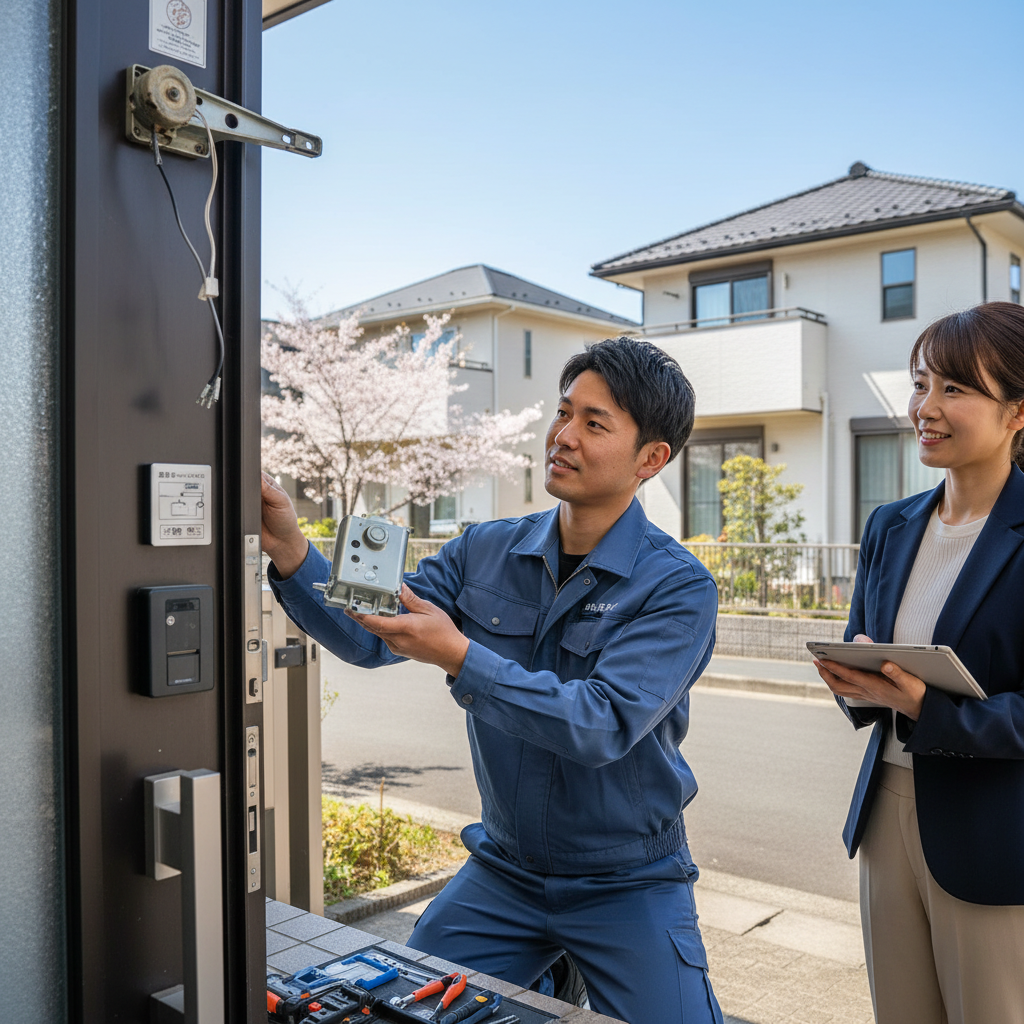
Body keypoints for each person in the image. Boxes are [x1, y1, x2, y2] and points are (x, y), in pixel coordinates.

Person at [262, 336, 725, 1022]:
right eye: (564, 412)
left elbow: (598, 724)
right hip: (504, 871)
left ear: (651, 459)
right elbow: (371, 635)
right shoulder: (485, 548)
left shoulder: (677, 588)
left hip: (628, 881)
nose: (562, 436)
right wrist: (291, 548)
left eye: (594, 424)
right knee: (398, 1009)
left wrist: (460, 655)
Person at [814, 302, 1024, 1024]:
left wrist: (923, 708)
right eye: (920, 384)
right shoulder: (891, 524)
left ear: (1017, 412)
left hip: (997, 830)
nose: (925, 408)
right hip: (887, 815)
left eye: (955, 389)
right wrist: (855, 681)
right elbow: (867, 650)